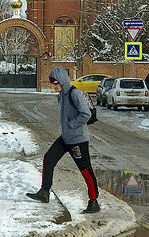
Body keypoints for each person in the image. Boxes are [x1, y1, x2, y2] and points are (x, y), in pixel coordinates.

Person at [26, 66, 100, 213]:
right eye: (52, 84)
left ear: (62, 81)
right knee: (48, 159)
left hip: (78, 139)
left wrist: (72, 125)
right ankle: (44, 192)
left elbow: (86, 114)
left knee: (85, 170)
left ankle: (93, 201)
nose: (53, 87)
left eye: (55, 84)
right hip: (66, 138)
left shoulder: (74, 94)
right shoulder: (63, 95)